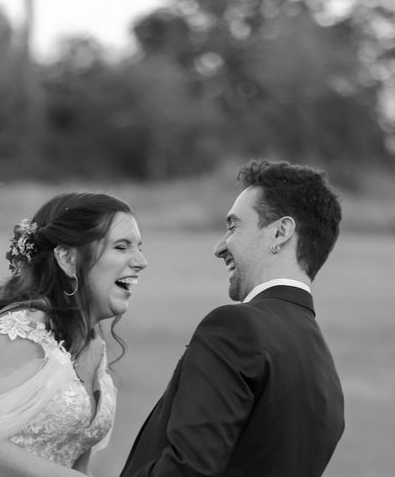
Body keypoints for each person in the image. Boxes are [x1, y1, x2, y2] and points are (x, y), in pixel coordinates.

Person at [120, 160, 344, 477]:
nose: (219, 247)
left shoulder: (235, 328)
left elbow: (186, 471)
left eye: (233, 226)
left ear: (280, 232)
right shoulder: (324, 367)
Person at [0, 192, 147, 477]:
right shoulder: (17, 332)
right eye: (121, 247)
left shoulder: (92, 342)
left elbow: (75, 451)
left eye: (139, 247)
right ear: (68, 258)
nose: (141, 261)